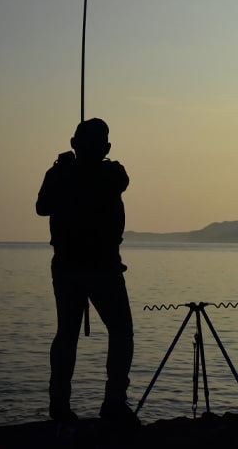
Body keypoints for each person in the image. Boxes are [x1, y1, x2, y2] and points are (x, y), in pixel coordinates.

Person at [36, 118, 139, 427]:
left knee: (68, 335)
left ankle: (62, 406)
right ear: (105, 146)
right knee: (119, 332)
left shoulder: (75, 173)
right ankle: (112, 404)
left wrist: (65, 170)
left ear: (73, 143)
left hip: (74, 267)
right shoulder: (108, 172)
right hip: (97, 267)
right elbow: (43, 207)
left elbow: (42, 207)